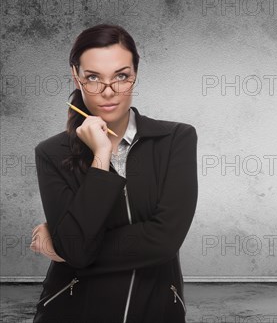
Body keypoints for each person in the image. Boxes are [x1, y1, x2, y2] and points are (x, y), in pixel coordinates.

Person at [29, 23, 198, 323]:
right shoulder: (51, 153)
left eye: (121, 76)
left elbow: (164, 240)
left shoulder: (176, 140)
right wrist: (101, 155)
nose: (109, 92)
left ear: (135, 75)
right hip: (72, 311)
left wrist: (65, 242)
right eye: (93, 78)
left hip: (155, 309)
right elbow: (78, 248)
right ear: (76, 76)